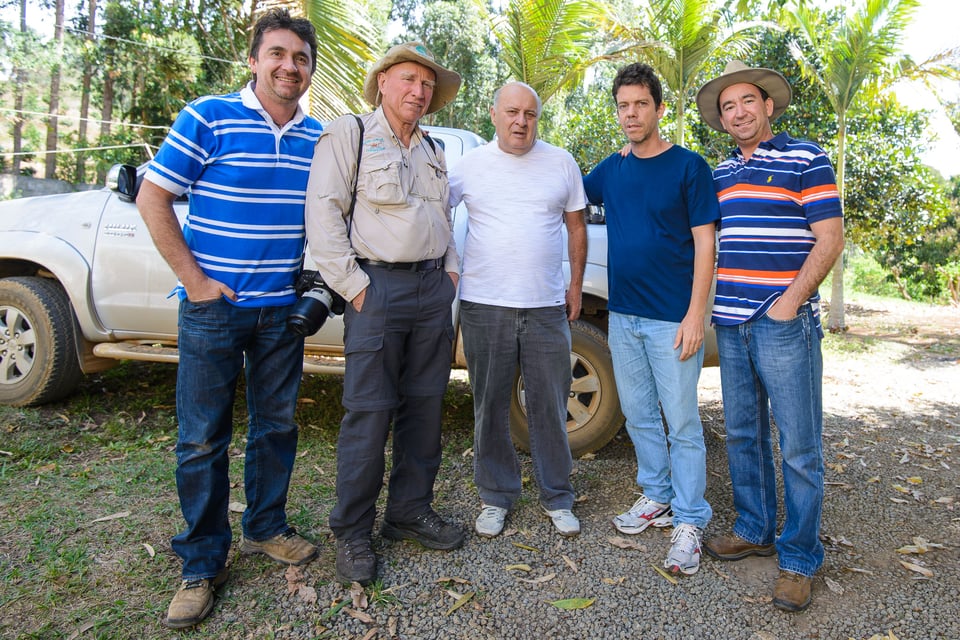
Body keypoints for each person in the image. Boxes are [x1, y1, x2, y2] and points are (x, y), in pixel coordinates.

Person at [136, 9, 322, 629]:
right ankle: (200, 562)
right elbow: (153, 196)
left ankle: (265, 527)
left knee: (275, 427)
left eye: (298, 57)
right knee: (201, 438)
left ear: (309, 66)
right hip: (214, 310)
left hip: (279, 314)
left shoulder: (316, 138)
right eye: (277, 54)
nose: (287, 66)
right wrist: (195, 282)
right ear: (254, 60)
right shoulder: (207, 117)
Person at [304, 42, 464, 587]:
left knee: (425, 408)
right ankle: (352, 531)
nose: (418, 91)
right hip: (376, 290)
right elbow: (322, 212)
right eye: (408, 80)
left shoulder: (432, 147)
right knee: (369, 414)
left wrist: (451, 273)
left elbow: (440, 215)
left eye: (426, 84)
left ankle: (408, 512)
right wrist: (353, 287)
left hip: (429, 291)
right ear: (383, 82)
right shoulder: (349, 133)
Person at [694, 61, 844, 611]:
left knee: (799, 446)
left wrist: (790, 302)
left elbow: (830, 237)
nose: (738, 112)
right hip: (730, 326)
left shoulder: (806, 156)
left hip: (784, 324)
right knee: (743, 435)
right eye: (728, 106)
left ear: (768, 106)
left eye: (746, 102)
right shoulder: (720, 175)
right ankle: (754, 528)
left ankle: (800, 557)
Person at [582, 63, 719, 575]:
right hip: (624, 317)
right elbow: (569, 192)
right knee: (639, 414)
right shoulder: (612, 169)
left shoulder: (689, 167)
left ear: (659, 109)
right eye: (623, 105)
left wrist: (695, 315)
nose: (631, 113)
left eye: (640, 104)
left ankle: (689, 519)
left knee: (682, 421)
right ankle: (657, 495)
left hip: (672, 320)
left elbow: (706, 244)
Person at [448, 82, 587, 540]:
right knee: (489, 405)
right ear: (493, 114)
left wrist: (576, 285)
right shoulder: (468, 166)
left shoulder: (560, 162)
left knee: (550, 403)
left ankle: (557, 495)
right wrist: (449, 270)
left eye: (529, 114)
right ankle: (496, 495)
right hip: (485, 305)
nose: (520, 121)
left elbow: (575, 225)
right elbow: (434, 215)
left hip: (545, 307)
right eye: (512, 112)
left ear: (537, 118)